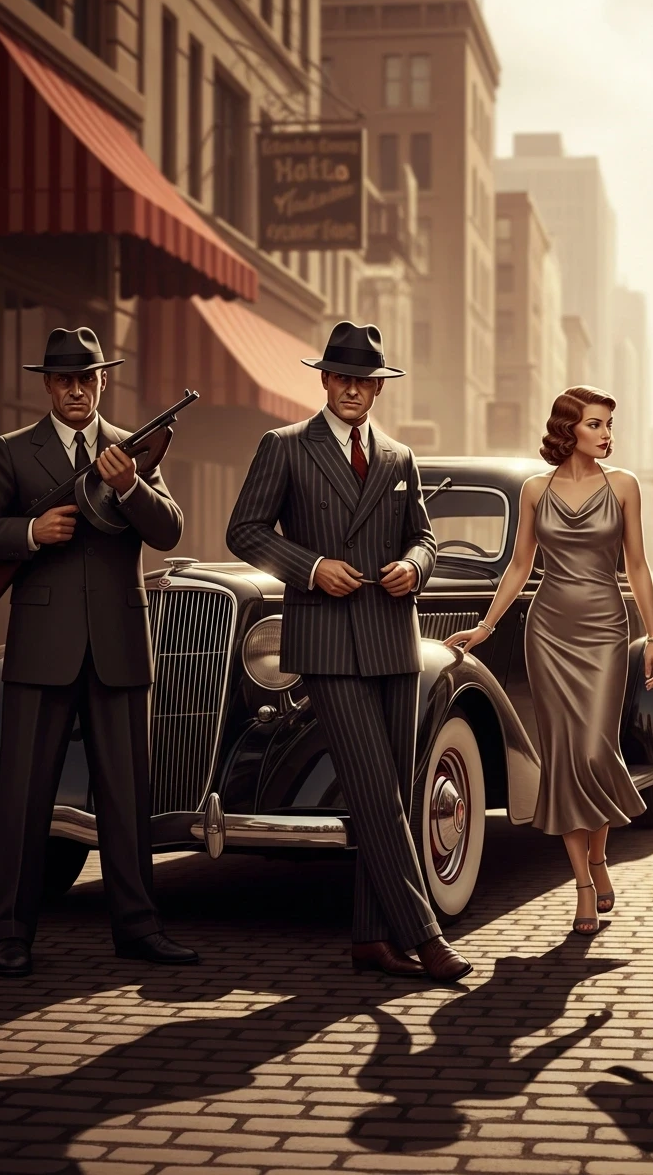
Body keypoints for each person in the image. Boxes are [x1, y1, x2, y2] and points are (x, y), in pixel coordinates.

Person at [226, 321, 471, 983]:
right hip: (328, 643)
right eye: (343, 378)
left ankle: (369, 938)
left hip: (394, 640)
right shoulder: (284, 446)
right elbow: (244, 531)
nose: (354, 390)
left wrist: (414, 568)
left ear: (378, 389)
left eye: (366, 381)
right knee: (375, 792)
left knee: (392, 792)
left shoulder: (398, 456)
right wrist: (310, 568)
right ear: (326, 380)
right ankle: (425, 935)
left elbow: (425, 537)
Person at [0, 326, 199, 977]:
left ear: (103, 382)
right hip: (40, 648)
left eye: (88, 378)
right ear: (48, 386)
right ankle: (12, 934)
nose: (76, 390)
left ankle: (138, 927)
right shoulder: (12, 451)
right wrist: (30, 531)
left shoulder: (132, 450)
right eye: (64, 380)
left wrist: (131, 487)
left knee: (127, 798)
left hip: (118, 646)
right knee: (23, 797)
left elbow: (170, 529)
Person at [445, 385, 653, 936]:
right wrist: (486, 626)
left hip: (606, 630)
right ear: (569, 430)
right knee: (564, 757)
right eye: (595, 424)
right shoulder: (535, 490)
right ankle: (584, 883)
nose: (607, 434)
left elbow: (637, 565)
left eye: (609, 424)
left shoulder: (625, 486)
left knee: (595, 750)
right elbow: (520, 566)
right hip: (548, 633)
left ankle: (599, 856)